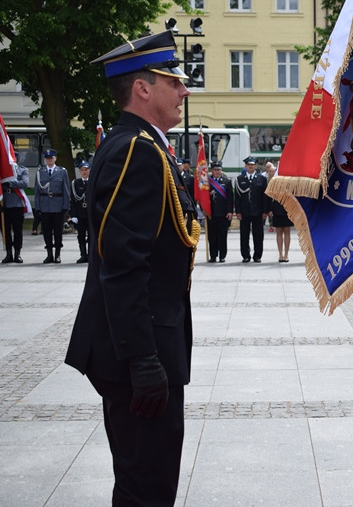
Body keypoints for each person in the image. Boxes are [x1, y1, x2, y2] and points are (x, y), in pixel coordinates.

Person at [65, 30, 201, 506]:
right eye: (174, 81)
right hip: (138, 353)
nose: (184, 89)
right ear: (142, 88)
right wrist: (143, 360)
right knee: (148, 489)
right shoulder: (135, 151)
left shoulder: (141, 144)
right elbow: (123, 265)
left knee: (143, 483)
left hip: (141, 345)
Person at [34, 148, 71, 263]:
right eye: (47, 158)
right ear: (45, 159)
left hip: (58, 204)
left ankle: (57, 254)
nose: (49, 160)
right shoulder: (40, 172)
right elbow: (37, 191)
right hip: (45, 205)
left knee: (58, 231)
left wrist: (66, 206)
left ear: (55, 158)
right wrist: (38, 207)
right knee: (46, 231)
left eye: (51, 158)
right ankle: (49, 254)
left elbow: (66, 189)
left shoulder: (62, 171)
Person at [235, 156, 269, 262]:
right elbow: (237, 197)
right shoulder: (239, 179)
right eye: (248, 165)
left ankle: (257, 255)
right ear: (246, 166)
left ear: (256, 166)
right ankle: (245, 255)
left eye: (252, 165)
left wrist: (265, 211)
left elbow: (265, 196)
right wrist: (238, 211)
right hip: (244, 212)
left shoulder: (261, 179)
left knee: (258, 235)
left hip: (258, 212)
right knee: (244, 235)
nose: (250, 166)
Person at [1, 162, 29, 263]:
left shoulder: (22, 170)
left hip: (17, 204)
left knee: (17, 230)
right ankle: (9, 253)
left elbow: (25, 183)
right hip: (4, 203)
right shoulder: (2, 170)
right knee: (5, 231)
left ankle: (17, 253)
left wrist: (10, 182)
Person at [207, 161, 233, 262]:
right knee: (212, 236)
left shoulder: (227, 181)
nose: (217, 171)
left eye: (219, 169)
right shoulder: (206, 182)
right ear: (211, 170)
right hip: (211, 213)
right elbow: (203, 198)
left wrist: (230, 211)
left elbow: (230, 198)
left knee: (222, 236)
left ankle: (222, 255)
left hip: (223, 213)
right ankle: (213, 255)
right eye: (215, 169)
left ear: (221, 170)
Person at [70, 161, 91, 263]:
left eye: (86, 170)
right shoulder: (75, 183)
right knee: (81, 235)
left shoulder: (93, 182)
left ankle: (91, 255)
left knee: (91, 235)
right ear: (79, 171)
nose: (84, 172)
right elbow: (73, 200)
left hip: (90, 213)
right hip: (80, 213)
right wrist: (73, 214)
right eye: (82, 170)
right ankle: (83, 254)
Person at [271, 195, 293, 263]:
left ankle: (286, 254)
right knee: (279, 232)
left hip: (288, 208)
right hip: (276, 208)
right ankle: (280, 254)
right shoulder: (274, 184)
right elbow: (269, 196)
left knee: (287, 232)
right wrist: (269, 209)